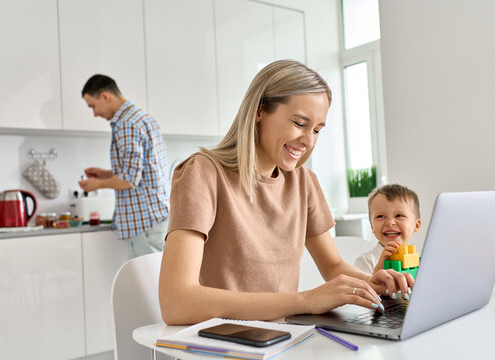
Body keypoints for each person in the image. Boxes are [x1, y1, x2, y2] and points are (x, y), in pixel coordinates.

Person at [159, 60, 413, 326]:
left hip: (284, 337)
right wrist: (305, 301)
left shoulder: (303, 182)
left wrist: (373, 284)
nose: (309, 141)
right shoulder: (203, 173)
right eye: (299, 123)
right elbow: (176, 302)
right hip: (225, 341)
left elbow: (333, 266)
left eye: (316, 130)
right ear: (260, 111)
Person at [78, 74, 169, 258]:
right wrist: (105, 174)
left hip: (144, 222)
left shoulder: (126, 124)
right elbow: (142, 170)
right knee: (157, 282)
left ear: (105, 96)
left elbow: (129, 179)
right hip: (155, 217)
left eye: (92, 106)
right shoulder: (141, 117)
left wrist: (98, 185)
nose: (94, 114)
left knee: (148, 285)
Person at [354, 184, 422, 275]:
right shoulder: (365, 262)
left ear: (416, 225)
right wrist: (376, 275)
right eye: (380, 216)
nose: (390, 222)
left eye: (399, 215)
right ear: (372, 226)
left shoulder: (421, 262)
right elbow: (364, 288)